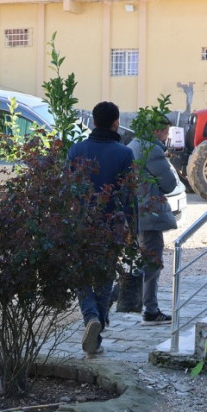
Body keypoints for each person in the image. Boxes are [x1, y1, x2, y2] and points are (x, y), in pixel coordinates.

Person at [68, 101, 135, 356]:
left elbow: (66, 191)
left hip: (80, 224)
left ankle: (90, 318)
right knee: (105, 279)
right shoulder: (124, 153)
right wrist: (134, 229)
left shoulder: (76, 151)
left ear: (94, 122)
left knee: (82, 276)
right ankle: (96, 330)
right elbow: (130, 196)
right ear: (116, 123)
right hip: (112, 226)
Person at [127, 120, 182, 325]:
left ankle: (149, 308)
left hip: (137, 212)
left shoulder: (134, 144)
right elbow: (169, 184)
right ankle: (122, 298)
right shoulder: (153, 150)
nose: (166, 137)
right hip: (150, 214)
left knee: (146, 261)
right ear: (156, 130)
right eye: (166, 132)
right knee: (152, 262)